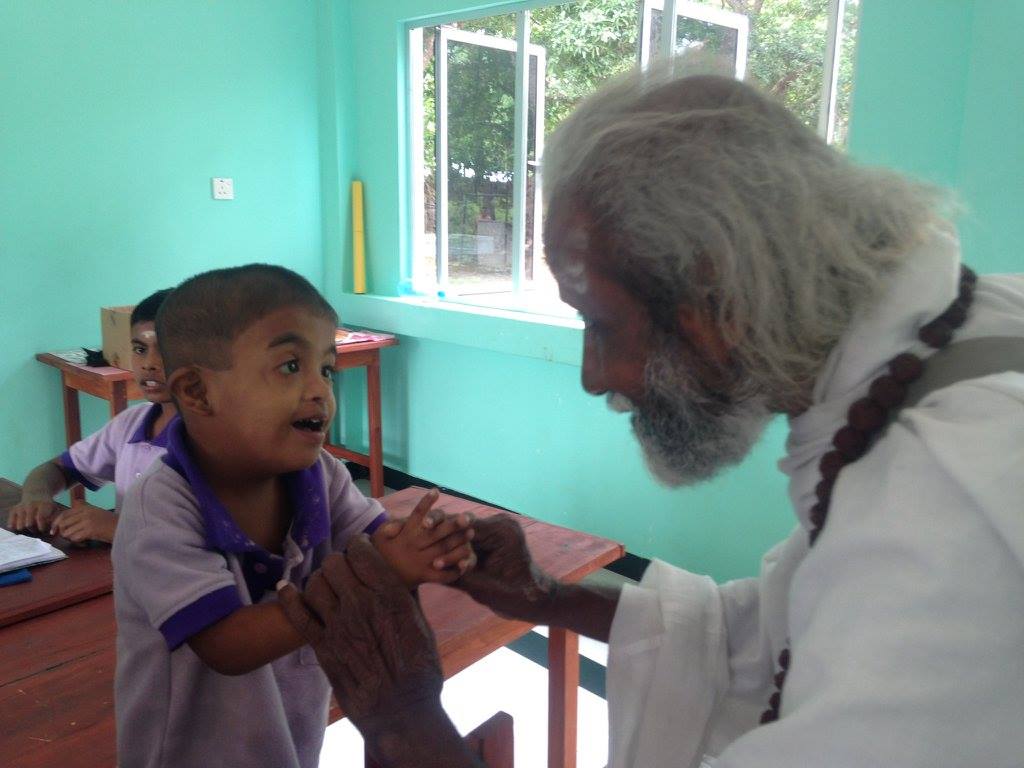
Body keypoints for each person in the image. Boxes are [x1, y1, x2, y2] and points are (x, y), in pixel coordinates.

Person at [280, 66, 1024, 767]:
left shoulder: (956, 516)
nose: (592, 376)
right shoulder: (948, 355)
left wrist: (402, 720)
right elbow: (776, 636)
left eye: (600, 326)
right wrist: (547, 596)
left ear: (721, 304)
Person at [111, 264, 475, 768]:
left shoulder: (319, 475)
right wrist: (382, 572)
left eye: (326, 368)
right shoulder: (163, 507)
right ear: (196, 393)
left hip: (292, 741)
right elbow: (227, 645)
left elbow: (378, 541)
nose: (321, 390)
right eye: (289, 366)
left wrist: (430, 547)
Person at [7, 288, 176, 543]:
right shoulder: (131, 424)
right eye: (140, 349)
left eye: (164, 349)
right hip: (132, 573)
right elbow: (56, 469)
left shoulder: (216, 441)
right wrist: (36, 497)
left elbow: (207, 540)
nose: (149, 363)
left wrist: (115, 527)